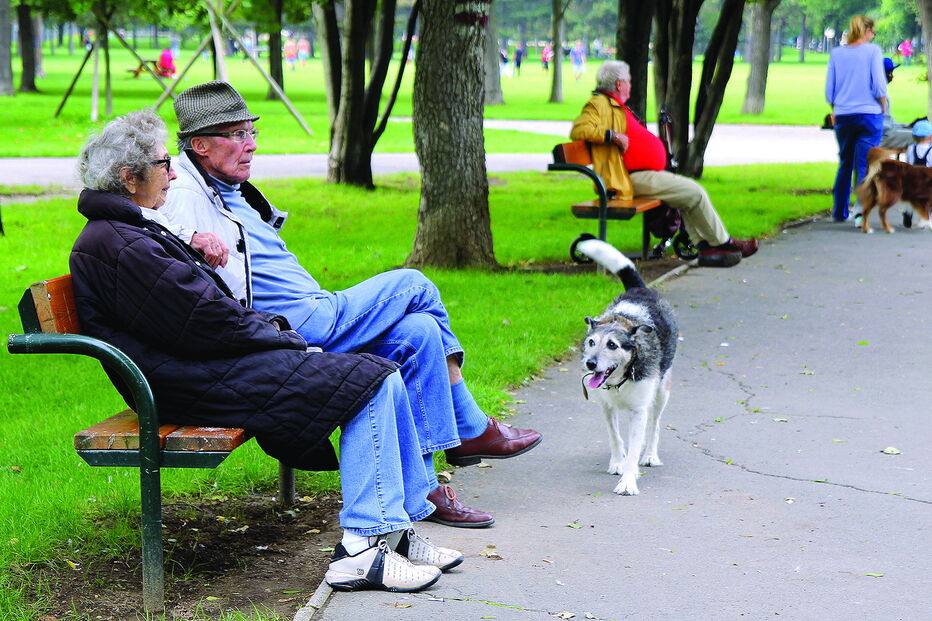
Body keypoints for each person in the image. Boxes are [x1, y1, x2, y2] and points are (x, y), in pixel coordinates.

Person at [70, 108, 463, 593]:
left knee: (378, 372)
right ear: (130, 178)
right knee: (372, 380)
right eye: (162, 163)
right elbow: (203, 321)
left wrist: (272, 332)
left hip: (202, 369)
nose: (172, 172)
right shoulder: (120, 243)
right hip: (185, 383)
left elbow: (200, 314)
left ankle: (393, 532)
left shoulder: (127, 230)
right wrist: (285, 337)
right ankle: (363, 548)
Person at [160, 81, 542, 529]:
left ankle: (427, 489)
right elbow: (149, 222)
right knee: (415, 284)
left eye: (252, 133)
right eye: (237, 135)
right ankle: (469, 428)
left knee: (420, 333)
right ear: (200, 144)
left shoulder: (226, 186)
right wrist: (188, 237)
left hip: (312, 309)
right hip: (297, 324)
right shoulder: (185, 190)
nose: (250, 145)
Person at [571, 61, 758, 268]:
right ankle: (724, 244)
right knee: (694, 192)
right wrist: (612, 135)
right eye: (628, 81)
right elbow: (580, 130)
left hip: (638, 174)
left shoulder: (613, 104)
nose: (630, 86)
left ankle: (707, 247)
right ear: (619, 84)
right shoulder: (599, 104)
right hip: (625, 179)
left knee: (688, 195)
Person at [825, 15, 887, 224]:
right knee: (865, 165)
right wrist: (883, 106)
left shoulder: (836, 54)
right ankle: (861, 212)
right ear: (867, 30)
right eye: (873, 31)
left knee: (845, 163)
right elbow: (879, 85)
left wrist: (838, 108)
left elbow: (829, 92)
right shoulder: (873, 51)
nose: (873, 35)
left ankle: (839, 211)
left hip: (843, 115)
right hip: (869, 113)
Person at [880, 57, 913, 151]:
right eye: (889, 73)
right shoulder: (879, 93)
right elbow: (885, 127)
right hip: (881, 138)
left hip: (884, 133)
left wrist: (905, 125)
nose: (892, 76)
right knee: (924, 137)